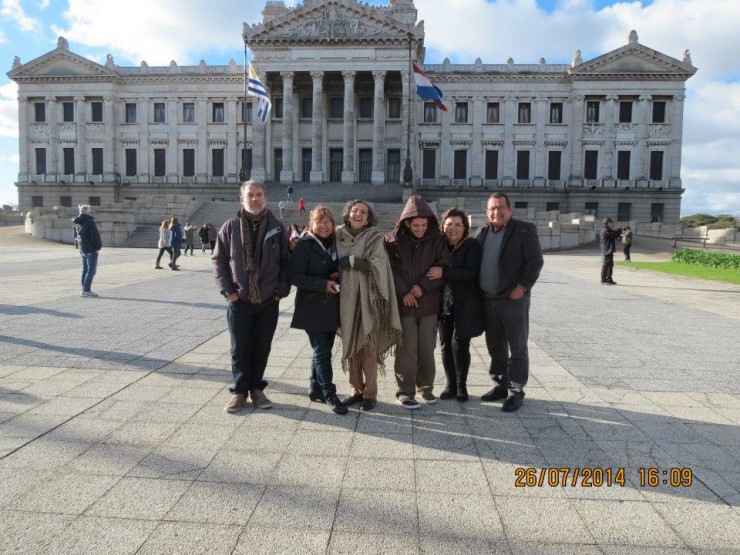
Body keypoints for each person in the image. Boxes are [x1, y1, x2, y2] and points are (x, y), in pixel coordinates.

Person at [213, 180, 290, 412]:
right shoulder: (230, 227)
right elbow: (219, 261)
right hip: (239, 299)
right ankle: (239, 391)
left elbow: (286, 262)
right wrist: (228, 292)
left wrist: (281, 291)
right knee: (239, 349)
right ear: (242, 199)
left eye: (259, 194)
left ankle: (256, 388)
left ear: (265, 198)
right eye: (250, 195)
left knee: (262, 347)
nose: (255, 199)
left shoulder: (277, 228)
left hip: (268, 300)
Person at [478, 192, 544, 412]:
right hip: (489, 299)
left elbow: (535, 262)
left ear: (510, 209)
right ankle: (501, 385)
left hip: (513, 300)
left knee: (517, 347)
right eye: (492, 208)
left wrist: (521, 287)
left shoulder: (524, 230)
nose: (496, 212)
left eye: (500, 208)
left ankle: (516, 391)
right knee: (496, 346)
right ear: (487, 212)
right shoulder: (482, 232)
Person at [336, 200, 402, 412]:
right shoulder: (337, 235)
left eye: (363, 212)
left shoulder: (374, 236)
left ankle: (370, 394)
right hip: (345, 299)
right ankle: (356, 390)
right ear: (348, 214)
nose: (358, 214)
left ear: (367, 218)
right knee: (351, 345)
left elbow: (379, 264)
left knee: (368, 347)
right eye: (354, 210)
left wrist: (353, 261)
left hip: (369, 298)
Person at [384, 196, 448, 409]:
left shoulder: (438, 240)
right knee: (406, 349)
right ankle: (405, 392)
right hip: (405, 304)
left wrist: (422, 287)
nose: (420, 229)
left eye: (424, 225)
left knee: (427, 349)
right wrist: (404, 292)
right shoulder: (391, 240)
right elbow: (389, 270)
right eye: (416, 225)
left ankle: (426, 388)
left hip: (428, 303)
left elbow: (442, 268)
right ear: (406, 223)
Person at [288, 205, 347, 415]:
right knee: (322, 351)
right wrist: (323, 284)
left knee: (322, 349)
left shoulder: (334, 244)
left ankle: (315, 388)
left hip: (330, 307)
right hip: (311, 307)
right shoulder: (304, 245)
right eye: (319, 222)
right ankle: (329, 392)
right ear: (311, 224)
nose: (324, 226)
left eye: (328, 221)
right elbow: (294, 276)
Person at [430, 207, 485, 402]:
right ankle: (450, 385)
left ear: (464, 227)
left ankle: (462, 385)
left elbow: (472, 273)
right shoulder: (439, 245)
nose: (453, 228)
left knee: (460, 344)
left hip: (465, 304)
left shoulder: (471, 245)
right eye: (449, 224)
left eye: (458, 225)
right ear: (443, 226)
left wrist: (445, 273)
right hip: (443, 304)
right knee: (445, 345)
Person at [73, 205, 102, 298]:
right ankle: (86, 290)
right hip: (91, 249)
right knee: (91, 271)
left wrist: (79, 247)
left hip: (83, 249)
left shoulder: (77, 222)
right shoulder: (90, 222)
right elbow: (95, 236)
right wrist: (98, 247)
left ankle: (84, 289)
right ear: (88, 212)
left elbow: (76, 237)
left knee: (85, 270)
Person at [600, 217, 622, 285]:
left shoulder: (608, 229)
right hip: (607, 249)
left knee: (610, 265)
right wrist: (619, 231)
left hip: (609, 249)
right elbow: (612, 234)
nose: (612, 224)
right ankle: (603, 280)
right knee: (606, 265)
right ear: (608, 223)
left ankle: (609, 279)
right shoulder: (605, 230)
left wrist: (619, 231)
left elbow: (613, 233)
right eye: (611, 223)